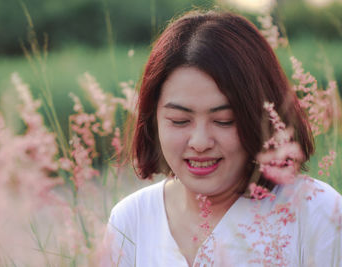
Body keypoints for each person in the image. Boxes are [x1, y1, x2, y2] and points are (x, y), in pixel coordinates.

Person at [103, 10, 342, 267]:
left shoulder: (317, 212)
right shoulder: (131, 220)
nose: (200, 142)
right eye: (180, 121)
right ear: (153, 120)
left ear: (262, 117)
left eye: (224, 121)